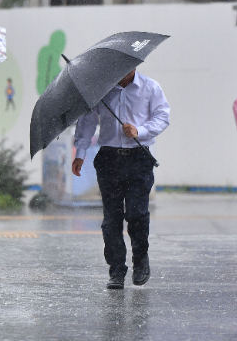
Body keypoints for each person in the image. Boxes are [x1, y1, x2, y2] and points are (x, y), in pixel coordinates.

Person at [72, 69, 170, 290]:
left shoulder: (150, 87)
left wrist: (141, 130)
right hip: (109, 160)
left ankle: (140, 260)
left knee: (137, 214)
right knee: (111, 219)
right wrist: (81, 152)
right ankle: (116, 270)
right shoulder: (101, 90)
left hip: (139, 158)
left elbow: (163, 116)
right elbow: (87, 121)